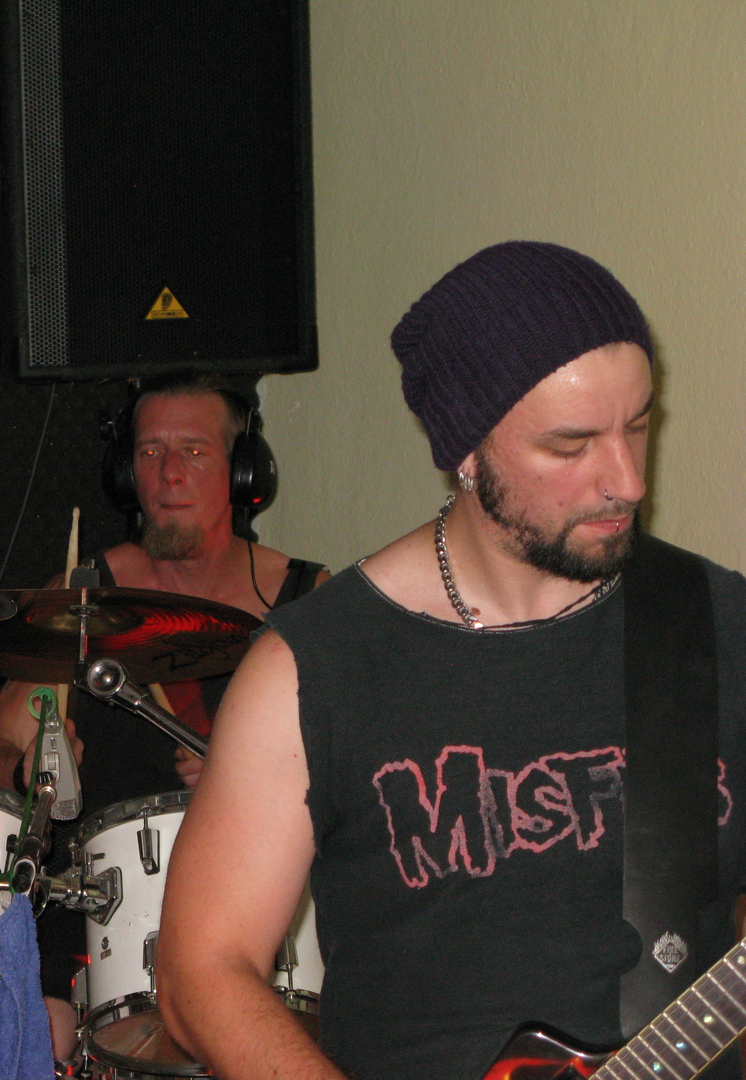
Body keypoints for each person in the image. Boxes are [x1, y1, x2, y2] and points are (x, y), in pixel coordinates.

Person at [157, 241, 746, 1080]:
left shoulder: (717, 625)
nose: (626, 480)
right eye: (571, 446)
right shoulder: (316, 668)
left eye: (639, 426)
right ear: (466, 454)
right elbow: (202, 973)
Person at [0, 370, 327, 1057]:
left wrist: (262, 779)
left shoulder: (309, 604)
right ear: (125, 473)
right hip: (94, 929)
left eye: (194, 450)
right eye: (149, 451)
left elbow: (368, 779)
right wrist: (25, 773)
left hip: (263, 922)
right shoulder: (78, 601)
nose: (168, 473)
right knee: (32, 1034)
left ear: (242, 471)